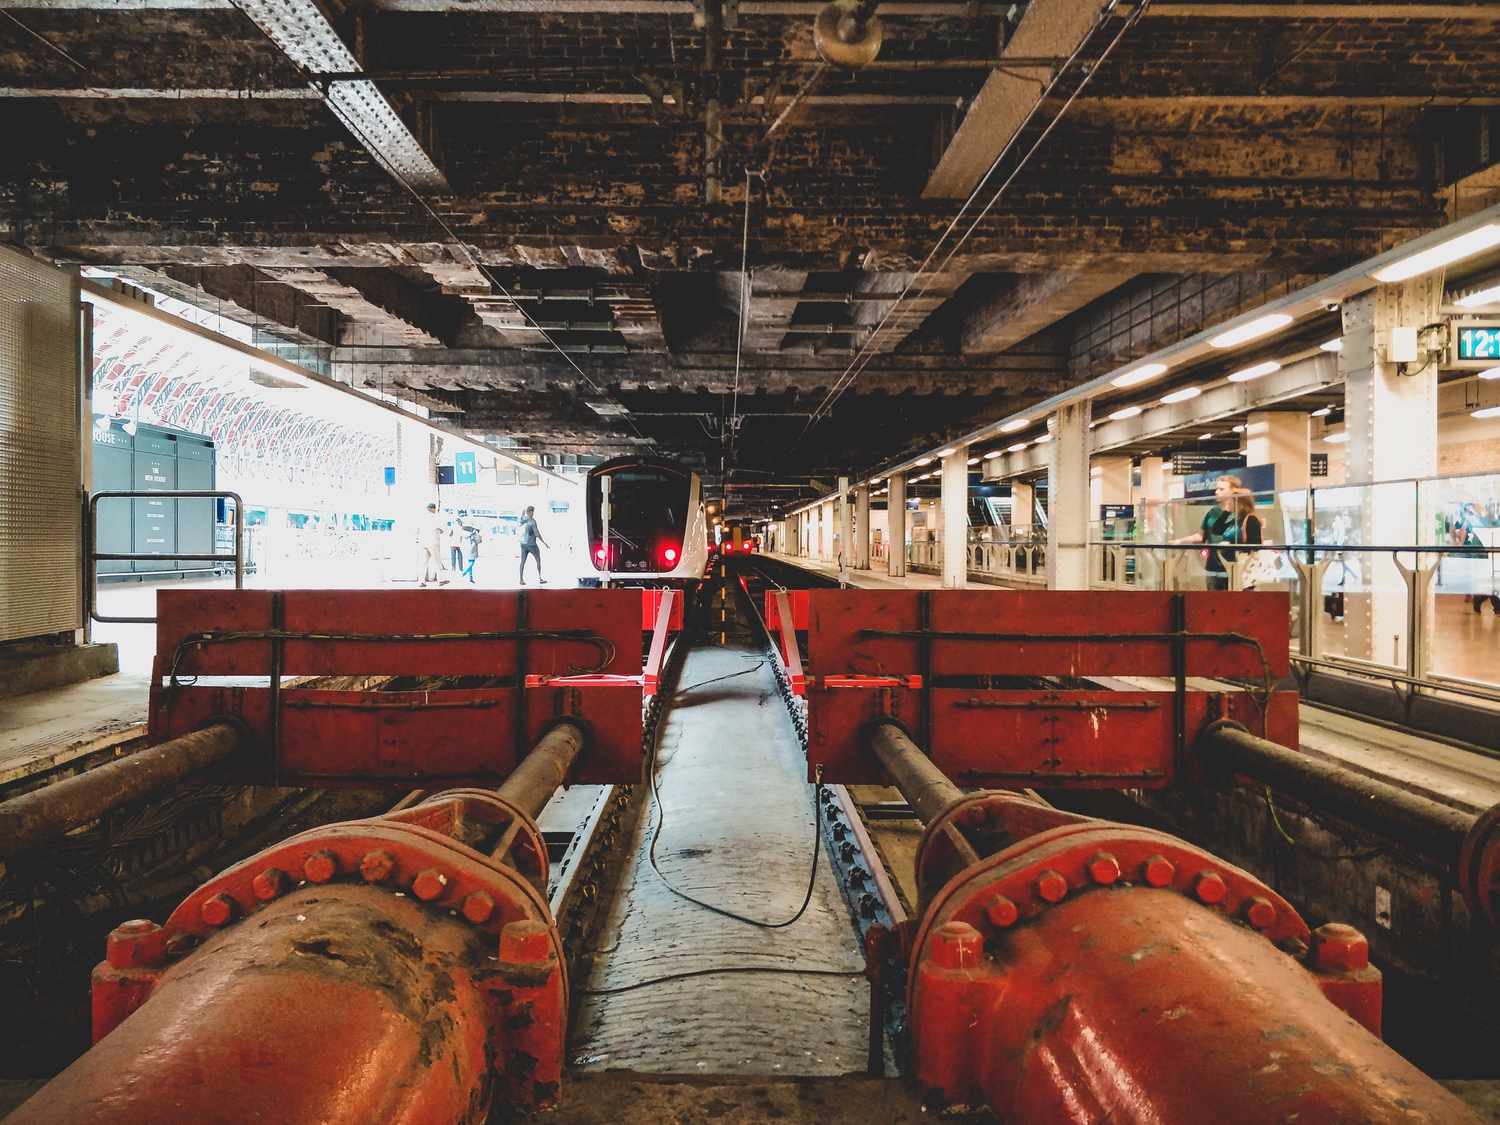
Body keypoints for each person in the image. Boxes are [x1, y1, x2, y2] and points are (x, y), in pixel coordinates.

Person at [1171, 475, 1260, 591]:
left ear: (1234, 491)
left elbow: (1254, 543)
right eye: (1217, 489)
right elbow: (1209, 532)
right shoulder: (1213, 512)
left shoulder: (1245, 517)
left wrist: (1231, 545)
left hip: (1235, 567)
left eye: (1222, 489)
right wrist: (1180, 541)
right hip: (1214, 565)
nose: (1217, 492)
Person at [417, 502, 448, 587]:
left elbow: (417, 530)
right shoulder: (435, 518)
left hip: (423, 542)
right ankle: (441, 579)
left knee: (423, 563)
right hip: (433, 542)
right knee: (437, 561)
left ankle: (421, 581)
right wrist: (440, 531)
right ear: (433, 509)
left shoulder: (421, 518)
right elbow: (444, 528)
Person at [519, 505, 548, 585]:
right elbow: (537, 534)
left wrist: (522, 514)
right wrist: (544, 543)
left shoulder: (522, 519)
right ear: (530, 512)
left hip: (523, 544)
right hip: (532, 545)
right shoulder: (532, 521)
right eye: (532, 511)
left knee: (522, 561)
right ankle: (540, 577)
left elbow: (520, 521)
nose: (533, 513)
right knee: (538, 559)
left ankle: (521, 579)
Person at [460, 519, 482, 584]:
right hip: (472, 548)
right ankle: (464, 572)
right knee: (472, 563)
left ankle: (471, 578)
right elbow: (478, 540)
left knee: (469, 562)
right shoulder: (474, 531)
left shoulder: (463, 530)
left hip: (465, 548)